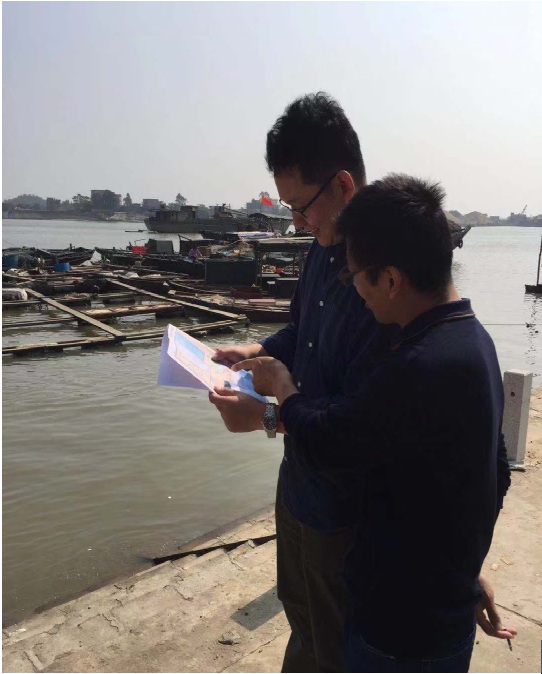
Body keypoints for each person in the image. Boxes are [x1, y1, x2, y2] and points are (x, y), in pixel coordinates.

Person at [232, 175, 516, 672]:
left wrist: (280, 387)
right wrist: (463, 574)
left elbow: (332, 439)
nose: (355, 291)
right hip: (443, 612)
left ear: (390, 280)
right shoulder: (473, 342)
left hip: (397, 628)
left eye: (355, 277)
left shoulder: (414, 366)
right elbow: (494, 473)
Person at [209, 92, 385, 672]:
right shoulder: (319, 252)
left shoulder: (384, 280)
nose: (296, 223)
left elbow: (362, 422)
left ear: (343, 186)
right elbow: (301, 332)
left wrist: (265, 416)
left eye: (301, 207)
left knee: (336, 634)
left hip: (345, 503)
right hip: (299, 483)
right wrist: (254, 351)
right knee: (301, 612)